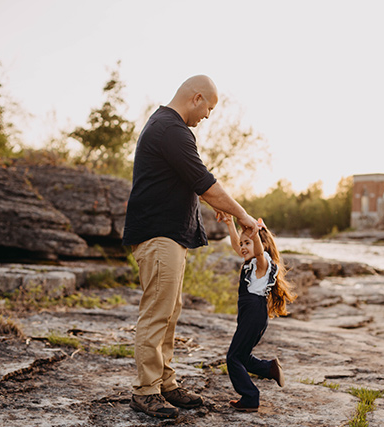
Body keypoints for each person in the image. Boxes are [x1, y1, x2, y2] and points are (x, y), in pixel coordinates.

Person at [122, 75, 259, 419]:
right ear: (196, 98)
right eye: (209, 108)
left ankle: (165, 383)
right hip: (158, 236)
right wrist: (242, 215)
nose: (208, 116)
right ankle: (146, 390)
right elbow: (205, 182)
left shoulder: (167, 127)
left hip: (168, 236)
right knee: (157, 313)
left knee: (169, 311)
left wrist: (211, 199)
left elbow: (192, 180)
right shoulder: (171, 129)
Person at [218, 214, 296, 412]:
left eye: (248, 242)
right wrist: (230, 224)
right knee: (242, 355)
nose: (242, 246)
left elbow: (259, 252)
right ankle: (269, 368)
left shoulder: (263, 262)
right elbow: (237, 246)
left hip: (254, 312)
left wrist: (254, 234)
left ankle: (251, 397)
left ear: (260, 244)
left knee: (233, 357)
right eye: (242, 243)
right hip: (248, 313)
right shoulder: (249, 262)